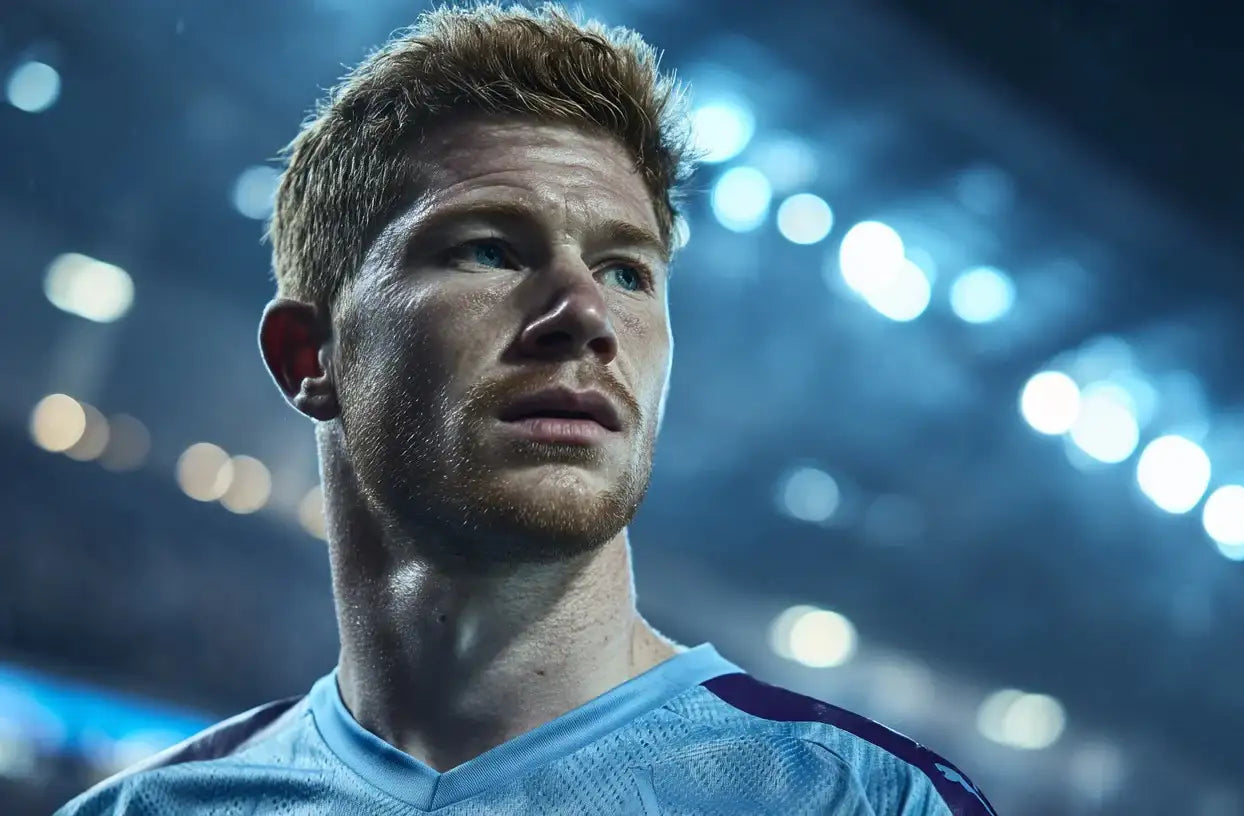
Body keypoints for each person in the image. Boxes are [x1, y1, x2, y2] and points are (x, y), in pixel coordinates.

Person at [59, 4, 997, 814]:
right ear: (313, 356)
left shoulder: (864, 801)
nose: (585, 314)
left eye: (627, 271)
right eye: (489, 250)